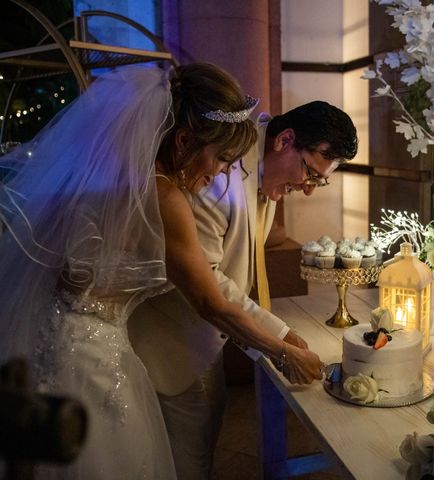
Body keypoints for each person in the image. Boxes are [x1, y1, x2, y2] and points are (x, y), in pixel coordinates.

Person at [0, 63, 324, 480]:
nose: (224, 173)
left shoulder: (117, 176)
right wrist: (283, 351)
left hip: (61, 334)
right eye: (223, 159)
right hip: (91, 354)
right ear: (186, 140)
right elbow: (211, 301)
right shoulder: (165, 196)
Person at [129, 101, 358, 478]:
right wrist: (281, 340)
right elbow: (207, 282)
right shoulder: (216, 173)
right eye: (310, 174)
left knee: (201, 439)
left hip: (208, 333)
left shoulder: (262, 157)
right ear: (285, 139)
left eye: (319, 181)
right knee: (184, 459)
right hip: (167, 339)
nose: (309, 189)